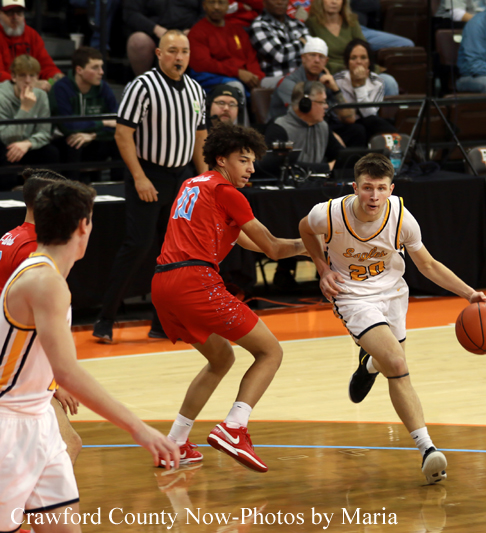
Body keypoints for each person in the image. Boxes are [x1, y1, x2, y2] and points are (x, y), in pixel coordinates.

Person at [298, 152, 486, 484]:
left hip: (393, 294)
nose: (374, 196)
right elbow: (305, 229)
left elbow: (429, 265)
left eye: (381, 188)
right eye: (367, 188)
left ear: (391, 189)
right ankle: (427, 449)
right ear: (355, 188)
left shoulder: (402, 219)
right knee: (396, 361)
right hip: (351, 295)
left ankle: (369, 365)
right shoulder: (330, 214)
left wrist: (469, 294)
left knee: (391, 362)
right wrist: (322, 268)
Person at [0, 180, 180, 533]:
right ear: (84, 225)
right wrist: (139, 429)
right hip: (9, 424)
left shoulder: (44, 274)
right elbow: (68, 372)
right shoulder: (45, 281)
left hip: (39, 420)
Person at [151, 123, 305, 472]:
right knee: (270, 352)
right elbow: (273, 248)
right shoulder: (227, 192)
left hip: (162, 284)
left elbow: (251, 243)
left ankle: (175, 442)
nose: (251, 168)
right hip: (194, 281)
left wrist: (305, 249)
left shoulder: (192, 185)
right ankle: (234, 427)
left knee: (221, 359)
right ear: (221, 159)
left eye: (253, 161)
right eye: (243, 160)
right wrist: (313, 242)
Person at [92, 30, 208, 344]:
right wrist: (140, 177)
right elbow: (122, 134)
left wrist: (204, 180)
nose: (179, 57)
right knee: (138, 246)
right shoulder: (142, 86)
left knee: (173, 253)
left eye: (184, 51)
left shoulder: (196, 90)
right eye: (172, 51)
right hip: (147, 174)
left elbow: (200, 137)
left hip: (181, 178)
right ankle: (105, 319)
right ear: (158, 54)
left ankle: (162, 323)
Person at [0, 168, 82, 467]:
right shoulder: (33, 249)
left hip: (13, 362)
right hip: (16, 370)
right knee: (66, 446)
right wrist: (57, 382)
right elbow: (39, 325)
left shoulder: (11, 236)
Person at [271, 37, 367, 147]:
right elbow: (304, 116)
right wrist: (329, 134)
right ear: (303, 58)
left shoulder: (326, 81)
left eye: (321, 57)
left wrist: (335, 89)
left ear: (326, 61)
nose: (317, 60)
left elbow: (350, 119)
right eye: (312, 55)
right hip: (292, 129)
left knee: (357, 130)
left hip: (321, 126)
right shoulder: (288, 83)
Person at [49, 46, 121, 183]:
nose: (101, 72)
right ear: (79, 70)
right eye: (95, 68)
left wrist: (93, 135)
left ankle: (119, 186)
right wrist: (103, 122)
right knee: (74, 141)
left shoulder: (103, 88)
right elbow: (67, 126)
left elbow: (118, 122)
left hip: (94, 139)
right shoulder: (61, 88)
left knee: (121, 139)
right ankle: (71, 189)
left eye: (101, 67)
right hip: (66, 144)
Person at [304, 0, 401, 95]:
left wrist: (361, 68)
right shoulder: (312, 24)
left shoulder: (351, 20)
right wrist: (349, 70)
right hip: (334, 73)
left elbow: (364, 48)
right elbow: (314, 56)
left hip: (358, 67)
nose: (334, 2)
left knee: (389, 82)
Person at [188, 0, 266, 98]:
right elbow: (202, 64)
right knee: (236, 87)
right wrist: (237, 73)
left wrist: (256, 76)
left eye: (221, 3)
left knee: (277, 83)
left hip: (244, 76)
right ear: (204, 5)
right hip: (214, 78)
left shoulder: (237, 30)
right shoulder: (196, 32)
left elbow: (251, 57)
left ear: (228, 6)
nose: (216, 7)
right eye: (212, 2)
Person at [0, 55, 58, 184]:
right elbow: (6, 137)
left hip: (27, 145)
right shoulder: (1, 97)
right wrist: (24, 109)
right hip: (6, 145)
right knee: (7, 155)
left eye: (32, 76)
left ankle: (45, 192)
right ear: (13, 77)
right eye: (22, 75)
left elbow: (45, 132)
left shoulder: (41, 95)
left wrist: (27, 143)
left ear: (37, 77)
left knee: (51, 153)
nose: (27, 81)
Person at [264, 80, 344, 172]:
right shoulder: (279, 127)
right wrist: (327, 167)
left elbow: (340, 155)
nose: (326, 106)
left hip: (319, 180)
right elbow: (282, 165)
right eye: (322, 102)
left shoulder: (322, 126)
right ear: (305, 104)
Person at [332, 38, 396, 140]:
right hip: (345, 124)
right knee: (358, 130)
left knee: (380, 125)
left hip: (368, 122)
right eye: (353, 58)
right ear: (347, 62)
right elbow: (342, 116)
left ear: (369, 62)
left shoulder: (377, 82)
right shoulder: (337, 80)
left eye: (363, 57)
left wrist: (359, 87)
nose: (358, 62)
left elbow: (370, 115)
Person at [124, 0, 204, 76]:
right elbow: (131, 13)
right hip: (153, 33)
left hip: (188, 32)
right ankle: (145, 82)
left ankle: (194, 83)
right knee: (138, 40)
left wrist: (193, 29)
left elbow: (206, 11)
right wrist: (155, 29)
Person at [0, 0, 63, 91]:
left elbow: (47, 66)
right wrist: (30, 84)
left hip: (32, 90)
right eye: (10, 12)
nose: (15, 17)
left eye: (19, 12)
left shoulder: (32, 35)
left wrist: (56, 78)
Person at [249, 0, 312, 89]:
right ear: (264, 2)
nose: (280, 2)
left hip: (302, 77)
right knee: (295, 84)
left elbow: (311, 48)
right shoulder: (259, 25)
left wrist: (291, 48)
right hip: (275, 79)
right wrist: (302, 43)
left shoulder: (297, 24)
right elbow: (280, 55)